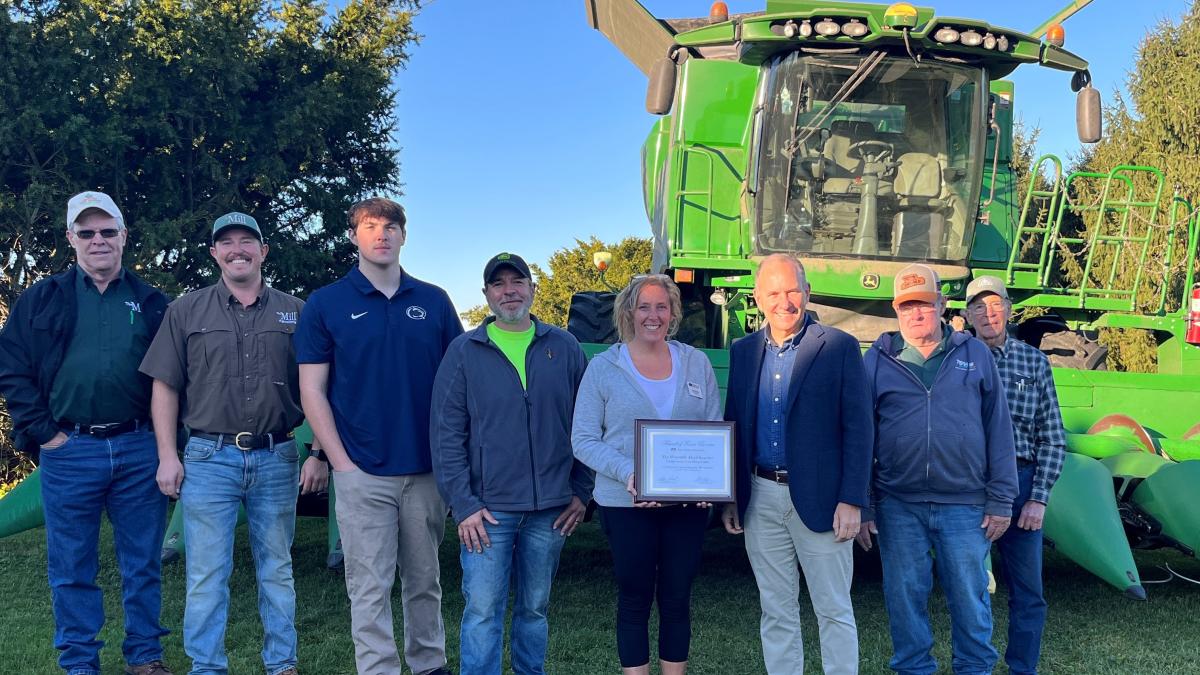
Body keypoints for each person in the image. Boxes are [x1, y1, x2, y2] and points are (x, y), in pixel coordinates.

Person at [140, 211, 327, 675]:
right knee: (206, 576)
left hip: (278, 455)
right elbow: (164, 386)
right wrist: (168, 454)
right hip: (208, 457)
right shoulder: (186, 311)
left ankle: (282, 664)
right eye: (227, 242)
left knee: (277, 570)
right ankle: (207, 667)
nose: (237, 249)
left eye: (248, 241)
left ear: (263, 251)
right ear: (214, 253)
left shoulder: (297, 311)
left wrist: (318, 452)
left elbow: (319, 386)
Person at [0, 191, 173, 675]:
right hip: (69, 448)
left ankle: (145, 656)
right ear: (71, 239)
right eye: (87, 232)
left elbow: (175, 376)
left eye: (108, 231)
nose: (98, 240)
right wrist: (42, 433)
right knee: (71, 566)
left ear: (123, 236)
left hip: (139, 447)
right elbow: (12, 367)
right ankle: (79, 662)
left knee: (142, 563)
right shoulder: (43, 297)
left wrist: (167, 446)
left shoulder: (152, 301)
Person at [296, 197, 461, 675]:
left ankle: (429, 663)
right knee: (368, 585)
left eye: (391, 226)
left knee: (425, 580)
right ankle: (378, 668)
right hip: (362, 470)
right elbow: (313, 389)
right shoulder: (326, 303)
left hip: (427, 471)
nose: (382, 234)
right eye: (370, 226)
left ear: (404, 236)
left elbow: (456, 384)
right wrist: (340, 463)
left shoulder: (433, 301)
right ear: (354, 237)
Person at [430, 252, 593, 674]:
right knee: (483, 611)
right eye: (499, 283)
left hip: (551, 510)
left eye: (517, 281)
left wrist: (582, 490)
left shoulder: (565, 346)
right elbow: (446, 433)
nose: (509, 290)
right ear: (486, 294)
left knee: (534, 610)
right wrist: (462, 503)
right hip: (488, 511)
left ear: (533, 289)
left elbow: (589, 421)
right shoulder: (464, 351)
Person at [858, 263, 1018, 675]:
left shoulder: (975, 354)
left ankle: (975, 668)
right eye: (907, 306)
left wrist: (1001, 499)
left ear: (942, 306)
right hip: (899, 505)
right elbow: (861, 438)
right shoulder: (877, 361)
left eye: (924, 305)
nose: (916, 314)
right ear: (896, 311)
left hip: (964, 506)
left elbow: (998, 429)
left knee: (969, 597)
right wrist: (865, 505)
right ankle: (913, 669)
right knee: (905, 598)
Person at [721, 254, 872, 675]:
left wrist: (852, 500)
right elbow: (735, 421)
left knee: (834, 610)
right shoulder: (744, 351)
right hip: (760, 497)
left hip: (824, 501)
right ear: (758, 297)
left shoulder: (838, 346)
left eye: (791, 291)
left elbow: (859, 429)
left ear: (806, 293)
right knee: (776, 611)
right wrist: (732, 495)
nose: (783, 301)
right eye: (773, 292)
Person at [571, 274, 721, 675]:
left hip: (686, 504)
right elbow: (583, 439)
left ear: (673, 313)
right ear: (628, 312)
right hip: (625, 502)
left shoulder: (696, 362)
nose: (653, 315)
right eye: (644, 306)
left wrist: (710, 478)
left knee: (676, 597)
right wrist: (629, 472)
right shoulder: (604, 368)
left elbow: (712, 426)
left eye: (661, 306)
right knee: (634, 597)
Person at [963, 276, 1066, 675]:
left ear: (1008, 309)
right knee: (970, 588)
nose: (988, 314)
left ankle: (1022, 667)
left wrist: (1039, 498)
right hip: (969, 486)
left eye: (995, 305)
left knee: (1028, 591)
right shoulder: (955, 359)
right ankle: (976, 664)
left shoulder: (1034, 362)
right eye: (979, 307)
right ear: (967, 314)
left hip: (1022, 486)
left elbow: (1053, 437)